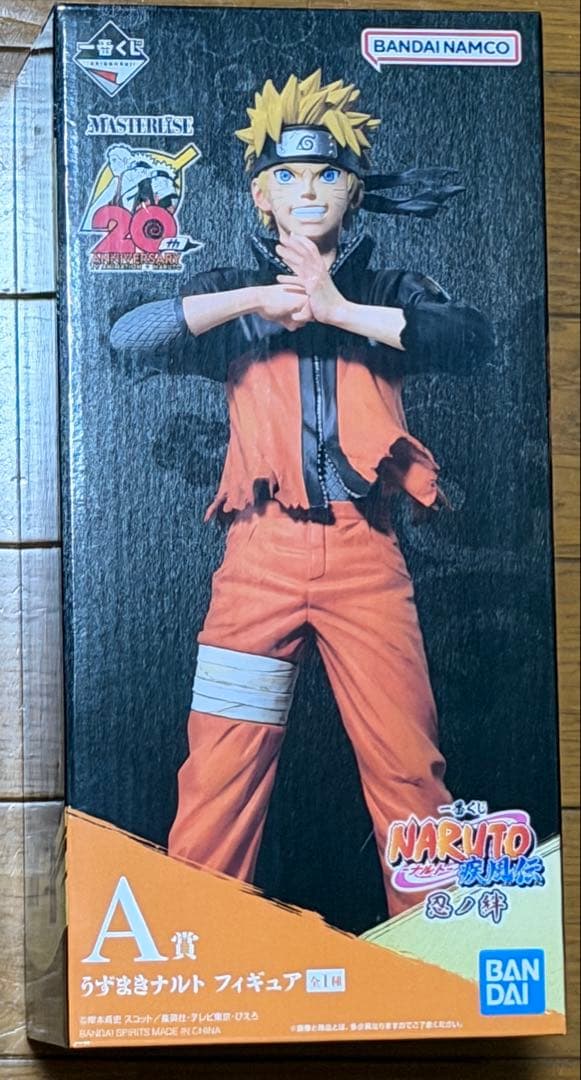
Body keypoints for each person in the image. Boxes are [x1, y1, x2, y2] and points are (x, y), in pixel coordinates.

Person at [111, 70, 493, 918]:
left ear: (352, 189)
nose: (307, 190)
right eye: (286, 174)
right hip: (258, 559)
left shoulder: (385, 289)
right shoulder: (232, 296)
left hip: (366, 558)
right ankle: (198, 954)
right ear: (260, 192)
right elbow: (128, 335)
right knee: (221, 768)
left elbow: (470, 340)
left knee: (409, 770)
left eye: (326, 173)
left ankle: (439, 959)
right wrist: (259, 298)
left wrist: (335, 309)